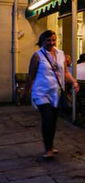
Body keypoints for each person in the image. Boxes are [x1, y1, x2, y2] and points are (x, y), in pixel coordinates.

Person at [26, 30, 79, 159]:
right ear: (42, 41)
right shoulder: (37, 56)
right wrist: (25, 92)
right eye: (48, 40)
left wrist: (74, 82)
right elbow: (31, 76)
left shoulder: (61, 54)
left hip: (56, 92)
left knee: (54, 120)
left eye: (53, 40)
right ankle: (48, 149)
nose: (51, 42)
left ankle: (50, 146)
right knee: (47, 118)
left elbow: (65, 72)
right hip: (41, 92)